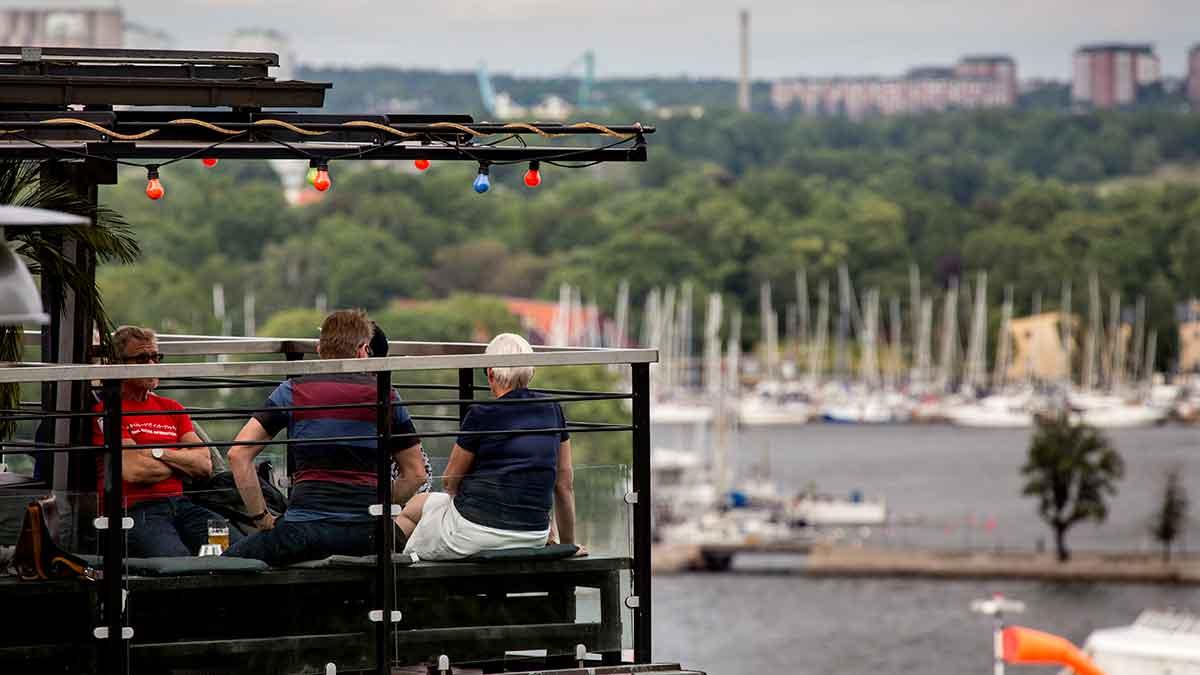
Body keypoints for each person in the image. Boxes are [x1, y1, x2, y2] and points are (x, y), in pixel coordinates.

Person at [224, 309, 430, 566]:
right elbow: (416, 474)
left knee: (225, 564)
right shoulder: (386, 397)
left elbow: (238, 454)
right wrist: (374, 504)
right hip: (367, 535)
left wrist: (262, 518)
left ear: (321, 349)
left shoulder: (292, 391)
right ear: (363, 349)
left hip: (303, 533)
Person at [394, 333, 583, 560]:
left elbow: (450, 480)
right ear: (530, 372)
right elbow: (564, 485)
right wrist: (568, 546)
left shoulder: (481, 414)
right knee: (423, 504)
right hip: (534, 534)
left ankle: (389, 572)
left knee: (413, 509)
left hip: (475, 533)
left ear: (491, 373)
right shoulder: (553, 410)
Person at [92, 326, 233, 557]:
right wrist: (181, 465)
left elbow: (204, 465)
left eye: (155, 357)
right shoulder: (107, 411)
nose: (152, 364)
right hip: (135, 510)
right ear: (119, 364)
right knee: (177, 562)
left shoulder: (172, 408)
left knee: (235, 551)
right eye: (141, 358)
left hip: (181, 505)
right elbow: (135, 471)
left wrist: (157, 452)